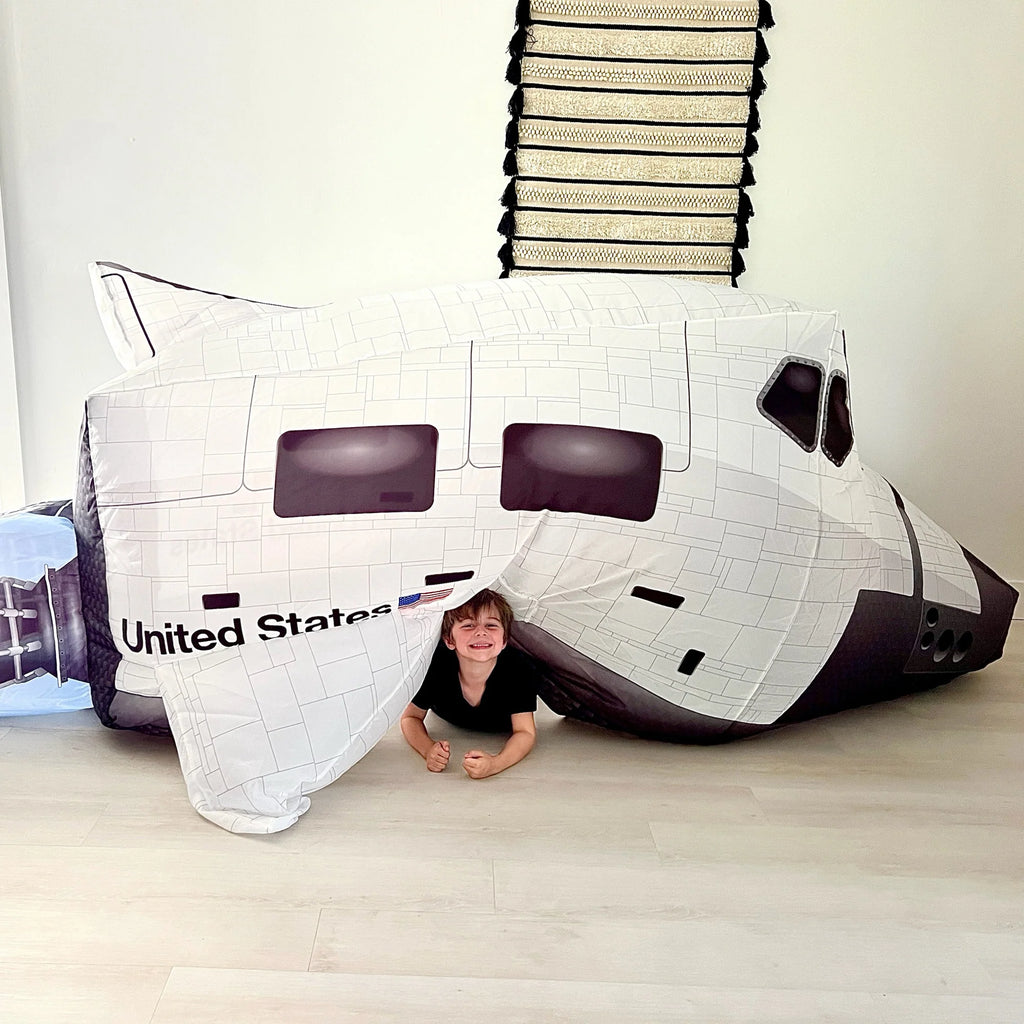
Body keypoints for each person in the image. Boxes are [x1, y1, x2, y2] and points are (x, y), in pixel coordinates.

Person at [400, 589, 538, 779]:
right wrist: (428, 750)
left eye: (491, 625)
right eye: (468, 625)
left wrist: (495, 764)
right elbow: (410, 718)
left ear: (504, 640)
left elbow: (525, 732)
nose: (481, 632)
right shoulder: (435, 665)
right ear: (449, 640)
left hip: (499, 725)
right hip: (446, 716)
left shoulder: (519, 669)